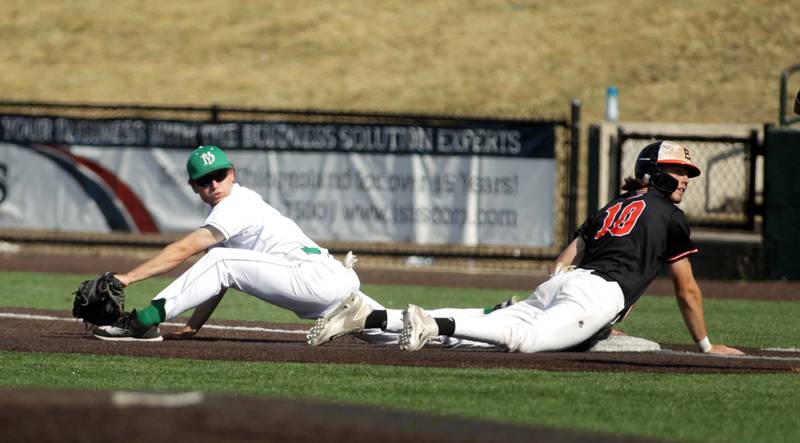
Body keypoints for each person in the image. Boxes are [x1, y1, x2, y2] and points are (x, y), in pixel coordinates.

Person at [315, 141, 742, 356]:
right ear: (653, 172)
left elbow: (566, 258)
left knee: (500, 325)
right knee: (526, 339)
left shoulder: (614, 204)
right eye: (677, 170)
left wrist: (558, 296)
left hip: (567, 285)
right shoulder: (669, 216)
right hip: (597, 293)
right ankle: (432, 325)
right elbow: (686, 289)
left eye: (688, 172)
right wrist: (706, 345)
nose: (685, 179)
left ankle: (370, 315)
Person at [92, 145, 388, 341]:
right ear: (194, 187)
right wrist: (191, 328)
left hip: (312, 276)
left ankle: (143, 322)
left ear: (232, 174)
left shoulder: (236, 204)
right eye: (205, 180)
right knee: (395, 331)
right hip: (326, 281)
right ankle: (436, 326)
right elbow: (214, 279)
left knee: (221, 262)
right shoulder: (228, 212)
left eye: (219, 175)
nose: (214, 184)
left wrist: (127, 278)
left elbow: (187, 252)